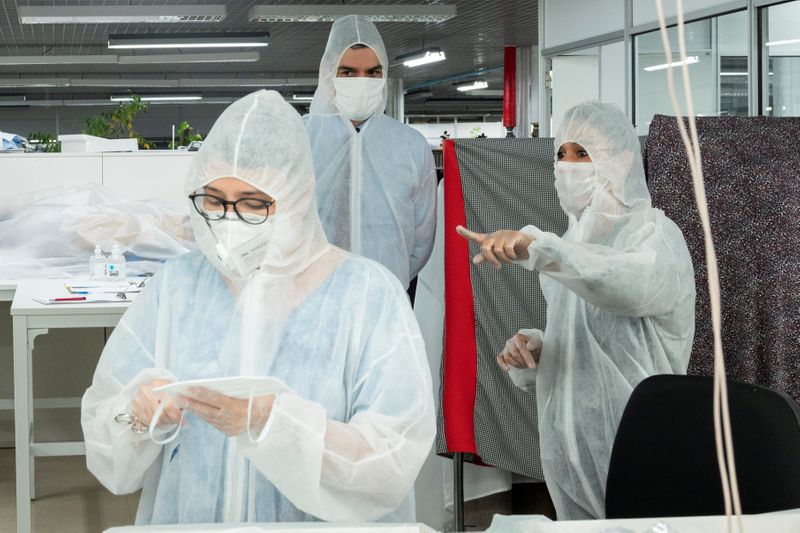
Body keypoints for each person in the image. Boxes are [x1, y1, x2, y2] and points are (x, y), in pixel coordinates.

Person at [81, 90, 435, 525]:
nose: (228, 221)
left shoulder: (367, 297)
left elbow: (393, 456)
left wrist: (278, 426)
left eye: (252, 204)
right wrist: (135, 416)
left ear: (299, 197)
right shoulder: (175, 289)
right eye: (213, 201)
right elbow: (105, 429)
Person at [456, 101, 696, 520]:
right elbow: (587, 338)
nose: (568, 166)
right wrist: (535, 349)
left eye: (582, 153)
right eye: (561, 154)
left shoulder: (654, 235)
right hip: (571, 451)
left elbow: (623, 285)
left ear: (620, 161)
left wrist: (539, 248)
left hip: (639, 439)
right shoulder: (570, 242)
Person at [303, 15, 437, 291]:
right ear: (328, 74)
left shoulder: (410, 146)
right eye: (348, 72)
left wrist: (386, 281)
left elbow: (421, 239)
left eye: (373, 72)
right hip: (310, 301)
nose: (362, 81)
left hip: (384, 299)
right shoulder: (297, 139)